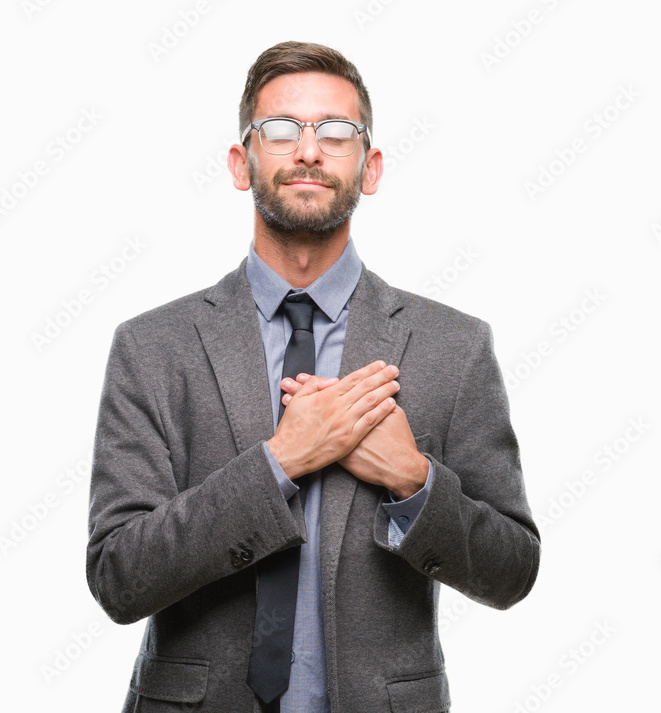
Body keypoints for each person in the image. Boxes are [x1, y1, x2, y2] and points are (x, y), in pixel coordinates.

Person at [86, 40, 540, 713]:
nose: (307, 150)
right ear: (242, 164)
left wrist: (414, 481)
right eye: (280, 130)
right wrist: (279, 462)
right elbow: (119, 576)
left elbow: (511, 570)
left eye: (335, 131)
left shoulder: (455, 346)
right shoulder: (154, 348)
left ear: (371, 165)